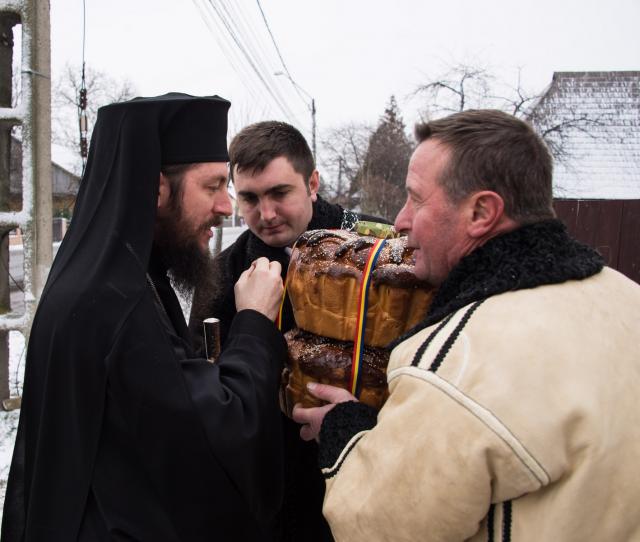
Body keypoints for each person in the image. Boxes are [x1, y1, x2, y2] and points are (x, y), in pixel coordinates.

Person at [293, 109, 640, 541]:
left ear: (480, 213)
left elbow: (376, 528)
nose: (399, 221)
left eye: (416, 198)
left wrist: (347, 435)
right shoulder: (627, 297)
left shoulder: (455, 362)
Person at [1, 93, 288, 541]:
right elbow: (213, 438)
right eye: (212, 186)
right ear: (156, 188)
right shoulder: (119, 302)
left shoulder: (93, 279)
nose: (226, 206)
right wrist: (254, 322)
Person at [189, 120, 385, 542]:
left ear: (312, 183)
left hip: (373, 472)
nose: (267, 214)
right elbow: (207, 394)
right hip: (275, 495)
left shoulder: (379, 252)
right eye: (250, 198)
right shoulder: (220, 279)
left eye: (280, 193)